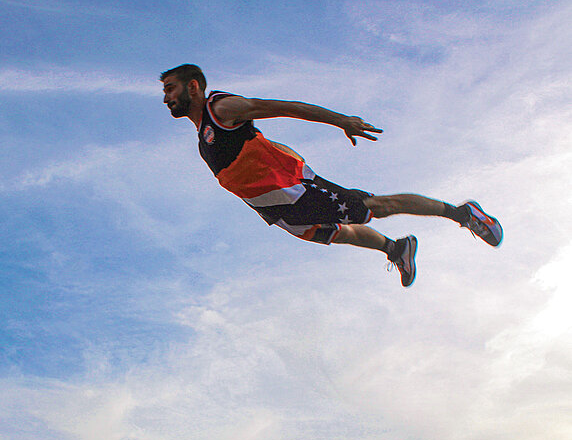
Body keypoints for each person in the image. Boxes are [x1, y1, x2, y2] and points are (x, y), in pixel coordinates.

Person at [160, 64, 502, 287]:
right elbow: (255, 146)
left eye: (170, 89)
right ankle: (397, 248)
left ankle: (464, 212)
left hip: (295, 190)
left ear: (193, 87)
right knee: (332, 235)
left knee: (374, 207)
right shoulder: (203, 134)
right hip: (276, 207)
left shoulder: (219, 109)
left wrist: (341, 121)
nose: (166, 97)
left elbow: (283, 107)